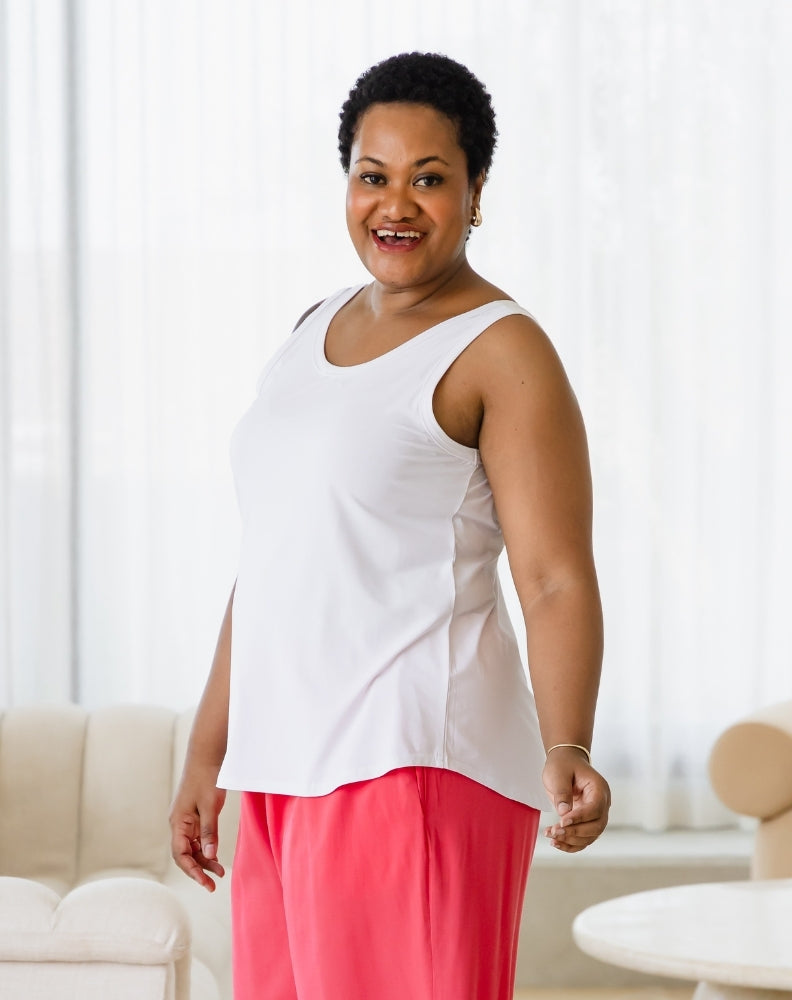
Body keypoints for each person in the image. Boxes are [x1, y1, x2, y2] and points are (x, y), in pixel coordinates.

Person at [170, 51, 610, 1000]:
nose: (395, 204)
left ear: (477, 190)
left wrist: (569, 745)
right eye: (373, 176)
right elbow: (274, 563)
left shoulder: (501, 348)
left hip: (409, 765)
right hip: (286, 768)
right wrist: (209, 754)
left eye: (430, 178)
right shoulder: (311, 326)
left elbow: (554, 577)